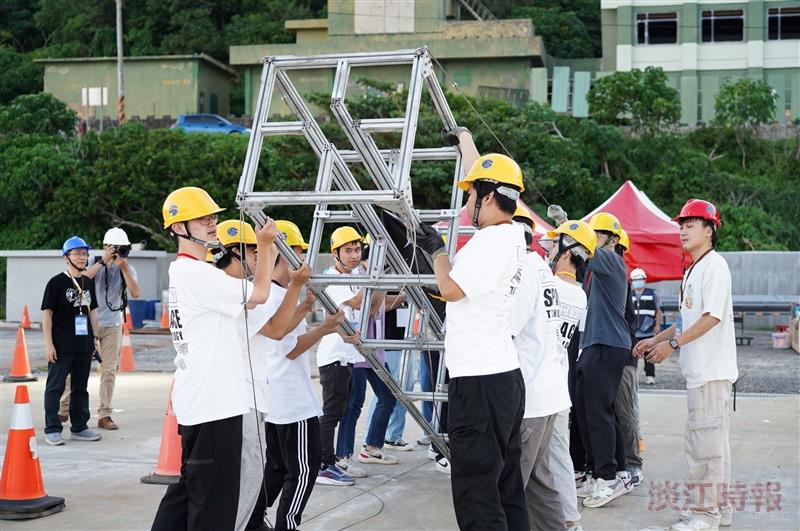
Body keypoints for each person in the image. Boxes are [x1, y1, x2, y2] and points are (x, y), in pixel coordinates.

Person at [415, 127, 528, 531]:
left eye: (471, 196)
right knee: (506, 485)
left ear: (490, 197)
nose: (467, 205)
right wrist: (465, 140)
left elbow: (449, 288)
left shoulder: (488, 242)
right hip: (504, 378)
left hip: (478, 382)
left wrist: (438, 252)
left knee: (477, 490)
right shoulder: (517, 237)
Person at [151, 187, 277, 531]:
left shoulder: (185, 272)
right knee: (213, 506)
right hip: (216, 405)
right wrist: (265, 248)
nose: (212, 224)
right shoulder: (200, 275)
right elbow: (261, 294)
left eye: (213, 217)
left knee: (188, 490)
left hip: (200, 402)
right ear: (179, 227)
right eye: (203, 218)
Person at [244, 220, 355, 530]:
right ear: (284, 251)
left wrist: (305, 307)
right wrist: (326, 327)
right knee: (304, 470)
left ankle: (252, 518)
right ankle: (286, 524)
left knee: (278, 468)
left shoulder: (273, 293)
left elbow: (284, 332)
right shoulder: (278, 294)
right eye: (298, 250)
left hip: (277, 397)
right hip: (292, 401)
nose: (302, 257)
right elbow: (289, 347)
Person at [634, 199, 737, 531]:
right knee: (711, 445)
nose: (682, 230)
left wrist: (672, 346)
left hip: (710, 372)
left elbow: (711, 318)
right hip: (701, 374)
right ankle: (718, 509)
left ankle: (705, 514)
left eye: (691, 225)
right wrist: (656, 339)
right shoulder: (693, 269)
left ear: (710, 231)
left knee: (704, 448)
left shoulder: (714, 266)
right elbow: (684, 320)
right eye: (681, 225)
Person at [508, 207, 568, 531]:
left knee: (512, 483)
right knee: (540, 481)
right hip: (550, 392)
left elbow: (508, 330)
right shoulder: (543, 269)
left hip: (531, 396)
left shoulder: (523, 273)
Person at [573, 211, 634, 508]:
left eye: (597, 233)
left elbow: (585, 248)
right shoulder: (599, 269)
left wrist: (570, 224)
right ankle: (608, 472)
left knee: (597, 412)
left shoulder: (609, 259)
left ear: (611, 239)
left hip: (608, 344)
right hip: (596, 343)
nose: (592, 238)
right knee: (589, 411)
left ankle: (607, 477)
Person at [315, 226, 382, 486]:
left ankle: (332, 461)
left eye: (357, 249)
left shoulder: (355, 276)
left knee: (344, 410)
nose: (355, 255)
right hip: (334, 357)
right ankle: (323, 464)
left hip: (348, 357)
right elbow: (356, 303)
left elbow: (370, 309)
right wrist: (373, 277)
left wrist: (378, 282)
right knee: (332, 413)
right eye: (348, 250)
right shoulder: (333, 278)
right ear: (335, 253)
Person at [58, 227, 141, 431]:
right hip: (88, 322)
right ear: (105, 247)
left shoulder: (128, 268)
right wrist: (103, 261)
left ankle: (105, 414)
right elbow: (81, 279)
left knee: (109, 370)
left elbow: (136, 292)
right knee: (76, 368)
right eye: (114, 248)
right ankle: (63, 408)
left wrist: (123, 268)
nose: (118, 252)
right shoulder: (93, 260)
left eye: (122, 248)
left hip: (113, 324)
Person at [544, 220, 597, 531]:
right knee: (559, 454)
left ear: (567, 252)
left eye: (554, 245)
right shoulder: (580, 296)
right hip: (559, 386)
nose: (550, 249)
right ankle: (569, 519)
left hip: (536, 386)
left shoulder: (548, 286)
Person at [41, 236, 103, 446]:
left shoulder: (88, 282)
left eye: (84, 253)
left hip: (84, 345)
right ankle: (52, 429)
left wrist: (95, 339)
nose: (82, 257)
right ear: (66, 257)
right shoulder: (56, 283)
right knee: (55, 387)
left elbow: (92, 313)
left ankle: (79, 427)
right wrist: (48, 344)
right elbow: (47, 315)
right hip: (61, 346)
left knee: (80, 387)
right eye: (77, 253)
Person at [630, 268, 662, 384]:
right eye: (635, 279)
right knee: (632, 355)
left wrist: (657, 325)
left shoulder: (653, 294)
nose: (638, 281)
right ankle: (633, 377)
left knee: (649, 354)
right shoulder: (629, 294)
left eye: (640, 279)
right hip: (633, 331)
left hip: (647, 331)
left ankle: (650, 376)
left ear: (644, 280)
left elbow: (658, 311)